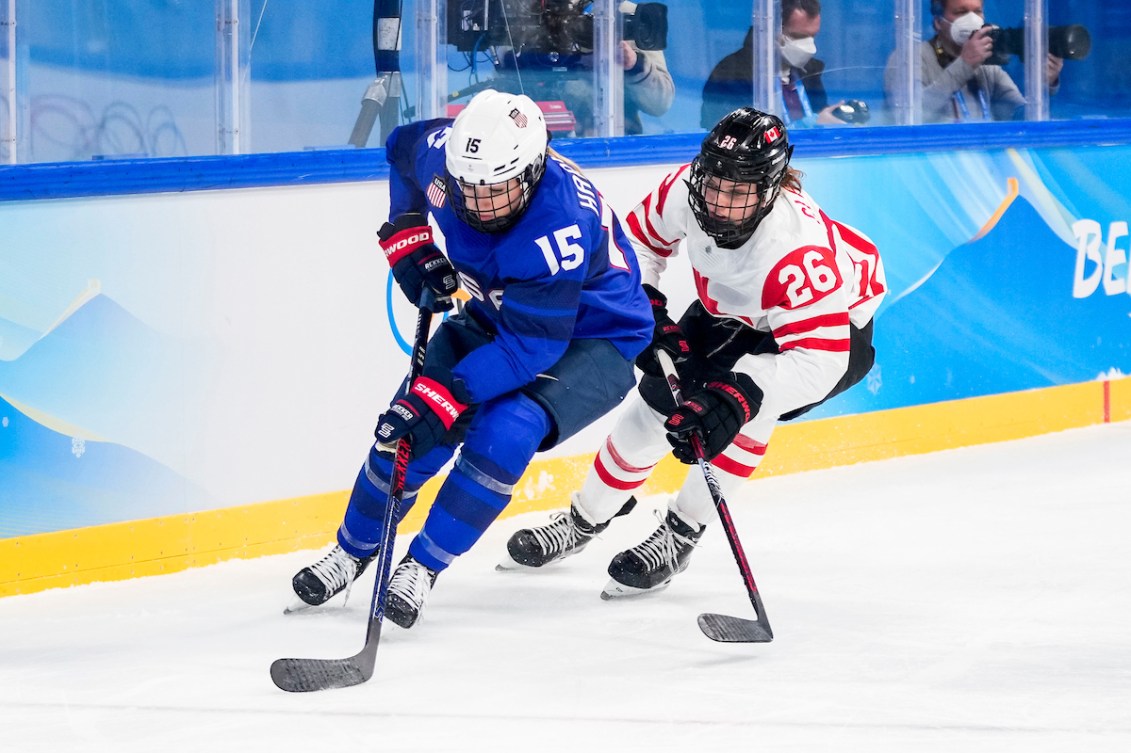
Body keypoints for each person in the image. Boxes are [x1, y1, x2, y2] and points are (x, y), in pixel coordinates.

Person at [289, 89, 653, 627]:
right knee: (407, 434)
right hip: (501, 314)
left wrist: (446, 394)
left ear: (532, 171)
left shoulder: (559, 226)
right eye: (469, 189)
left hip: (592, 339)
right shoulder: (450, 157)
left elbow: (530, 348)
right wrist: (407, 234)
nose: (480, 203)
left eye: (497, 190)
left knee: (506, 430)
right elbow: (401, 147)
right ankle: (352, 551)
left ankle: (422, 567)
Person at [500, 108, 887, 598]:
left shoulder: (799, 255)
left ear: (769, 190)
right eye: (714, 185)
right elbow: (636, 243)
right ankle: (584, 518)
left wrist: (737, 397)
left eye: (738, 192)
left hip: (828, 331)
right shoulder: (685, 188)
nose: (720, 202)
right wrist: (649, 307)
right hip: (734, 308)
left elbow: (820, 361)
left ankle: (682, 532)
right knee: (653, 410)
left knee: (742, 417)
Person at [487, 0, 675, 136]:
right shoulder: (523, 17)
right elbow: (502, 95)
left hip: (610, 146)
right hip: (536, 142)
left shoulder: (627, 17)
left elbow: (661, 102)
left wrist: (634, 65)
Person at [883, 0, 1063, 123]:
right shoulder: (907, 58)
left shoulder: (988, 65)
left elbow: (1020, 117)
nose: (972, 19)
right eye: (960, 12)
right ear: (938, 22)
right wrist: (965, 65)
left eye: (977, 11)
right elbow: (911, 114)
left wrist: (1045, 85)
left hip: (982, 166)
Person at [701, 0, 848, 130]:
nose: (809, 47)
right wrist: (808, 125)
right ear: (769, 29)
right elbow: (725, 137)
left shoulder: (810, 71)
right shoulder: (730, 75)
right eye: (798, 37)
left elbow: (818, 112)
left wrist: (832, 118)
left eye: (813, 36)